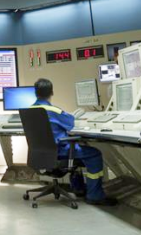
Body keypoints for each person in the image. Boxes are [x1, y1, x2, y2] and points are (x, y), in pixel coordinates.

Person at [30, 78, 118, 206]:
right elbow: (70, 123)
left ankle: (79, 188)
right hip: (60, 151)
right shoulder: (54, 111)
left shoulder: (30, 110)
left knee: (80, 151)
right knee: (94, 154)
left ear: (35, 93)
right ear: (52, 92)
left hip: (42, 154)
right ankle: (95, 195)